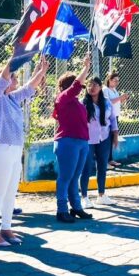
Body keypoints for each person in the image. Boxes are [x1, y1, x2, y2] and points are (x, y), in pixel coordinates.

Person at [0, 56, 48, 247]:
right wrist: (14, 57)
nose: (16, 80)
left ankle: (6, 228)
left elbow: (29, 88)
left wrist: (41, 71)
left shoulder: (11, 98)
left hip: (14, 151)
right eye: (14, 77)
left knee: (10, 193)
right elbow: (2, 80)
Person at [53, 56, 93, 223]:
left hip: (81, 142)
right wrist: (86, 67)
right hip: (68, 142)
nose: (81, 89)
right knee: (65, 177)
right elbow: (76, 86)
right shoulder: (62, 98)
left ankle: (76, 207)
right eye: (79, 86)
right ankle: (61, 210)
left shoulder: (76, 102)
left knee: (74, 177)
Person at [80, 77, 119, 207]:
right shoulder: (82, 103)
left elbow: (112, 119)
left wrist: (115, 135)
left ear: (100, 87)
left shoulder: (107, 103)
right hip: (87, 139)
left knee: (102, 167)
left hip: (104, 138)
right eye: (89, 85)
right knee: (86, 167)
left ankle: (101, 195)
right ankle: (84, 197)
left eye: (95, 85)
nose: (92, 87)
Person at [103, 72, 128, 169]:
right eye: (115, 81)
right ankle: (105, 161)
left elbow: (116, 102)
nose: (117, 82)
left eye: (118, 81)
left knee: (112, 138)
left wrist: (122, 99)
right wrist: (120, 98)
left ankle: (110, 159)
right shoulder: (105, 90)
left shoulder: (114, 90)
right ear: (109, 80)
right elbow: (108, 102)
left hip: (115, 116)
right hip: (109, 117)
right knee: (108, 139)